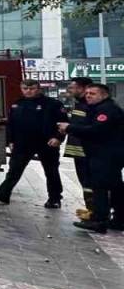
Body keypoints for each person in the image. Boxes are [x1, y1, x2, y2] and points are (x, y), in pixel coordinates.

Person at [0, 79, 66, 208]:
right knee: (14, 170)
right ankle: (3, 194)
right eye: (25, 88)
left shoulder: (53, 104)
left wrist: (58, 138)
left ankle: (54, 199)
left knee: (51, 171)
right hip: (23, 143)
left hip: (46, 142)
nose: (28, 91)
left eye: (31, 88)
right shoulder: (17, 104)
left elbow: (63, 123)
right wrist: (10, 141)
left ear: (38, 89)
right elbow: (11, 125)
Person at [59, 83, 124, 233]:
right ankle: (119, 219)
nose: (88, 95)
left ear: (103, 95)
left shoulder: (106, 110)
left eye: (92, 93)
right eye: (87, 93)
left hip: (106, 154)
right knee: (115, 187)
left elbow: (97, 130)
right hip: (103, 153)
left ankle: (99, 220)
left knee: (100, 186)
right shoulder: (96, 109)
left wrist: (69, 128)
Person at [64, 77, 94, 220]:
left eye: (73, 87)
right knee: (85, 182)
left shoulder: (89, 106)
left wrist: (69, 128)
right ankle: (91, 209)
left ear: (84, 88)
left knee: (91, 183)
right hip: (78, 151)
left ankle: (95, 212)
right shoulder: (80, 104)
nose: (70, 90)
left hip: (87, 152)